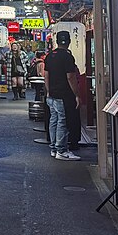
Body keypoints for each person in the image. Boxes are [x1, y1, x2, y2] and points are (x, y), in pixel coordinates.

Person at [44, 31, 81, 160]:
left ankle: (54, 148)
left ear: (56, 41)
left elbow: (46, 75)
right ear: (69, 41)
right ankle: (61, 150)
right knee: (62, 121)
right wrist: (76, 94)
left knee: (53, 120)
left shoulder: (49, 56)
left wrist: (48, 91)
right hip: (63, 95)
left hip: (52, 94)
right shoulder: (67, 57)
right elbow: (70, 77)